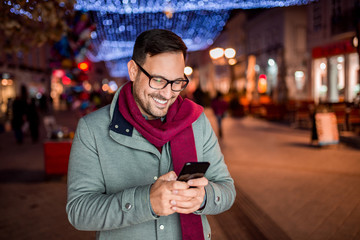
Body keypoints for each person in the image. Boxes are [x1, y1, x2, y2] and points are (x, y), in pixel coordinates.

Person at [66, 29, 235, 240]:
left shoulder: (196, 121)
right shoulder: (92, 129)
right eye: (157, 80)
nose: (167, 93)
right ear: (133, 70)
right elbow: (79, 212)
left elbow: (227, 189)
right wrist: (145, 202)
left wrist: (203, 197)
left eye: (177, 82)